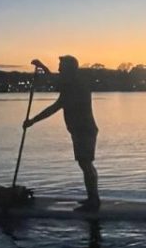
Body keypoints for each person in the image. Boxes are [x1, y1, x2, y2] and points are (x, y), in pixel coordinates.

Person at [23, 55, 100, 211]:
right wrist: (32, 121)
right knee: (85, 164)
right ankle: (93, 198)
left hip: (84, 130)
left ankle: (94, 200)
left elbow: (54, 106)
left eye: (61, 66)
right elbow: (56, 87)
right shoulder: (71, 84)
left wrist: (32, 121)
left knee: (85, 164)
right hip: (80, 130)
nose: (58, 69)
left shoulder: (76, 86)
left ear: (69, 69)